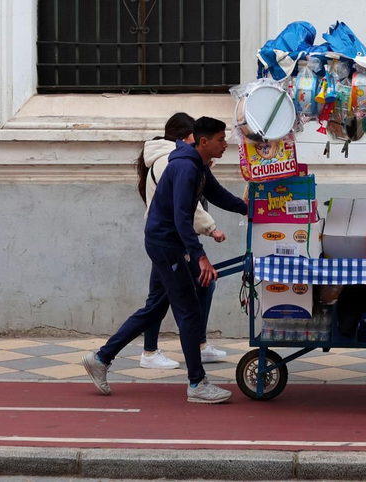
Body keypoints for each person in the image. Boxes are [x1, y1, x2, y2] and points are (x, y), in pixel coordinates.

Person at [83, 115, 249, 403]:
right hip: (166, 245)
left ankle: (101, 357)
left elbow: (217, 194)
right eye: (221, 140)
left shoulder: (197, 164)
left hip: (165, 243)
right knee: (188, 310)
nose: (226, 145)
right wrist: (201, 258)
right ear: (204, 141)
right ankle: (197, 384)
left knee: (156, 308)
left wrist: (248, 209)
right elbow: (182, 217)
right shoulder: (185, 167)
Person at [134, 113, 229, 370]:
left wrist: (245, 208)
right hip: (169, 241)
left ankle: (190, 347)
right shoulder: (174, 162)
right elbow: (185, 209)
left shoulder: (183, 160)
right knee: (164, 300)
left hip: (172, 239)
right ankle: (143, 352)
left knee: (165, 296)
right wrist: (210, 229)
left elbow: (211, 193)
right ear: (188, 138)